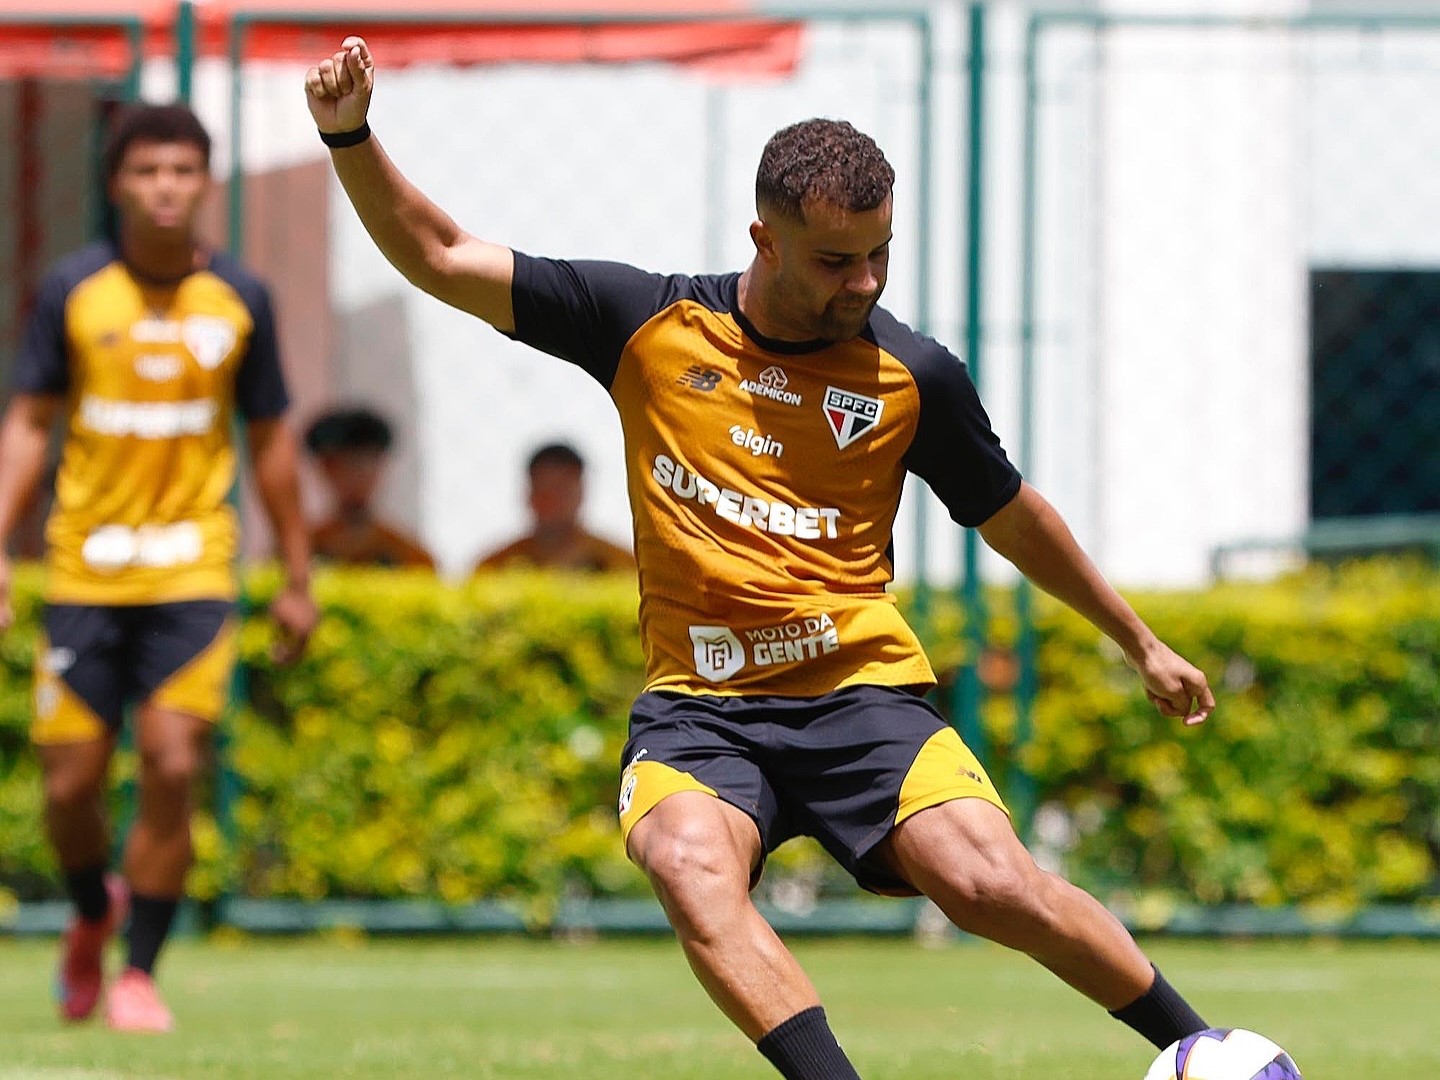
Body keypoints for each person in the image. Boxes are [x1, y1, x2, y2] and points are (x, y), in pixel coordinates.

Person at [306, 39, 1218, 1078]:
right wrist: (350, 135)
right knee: (691, 866)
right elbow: (439, 253)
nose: (864, 281)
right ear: (764, 239)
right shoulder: (645, 324)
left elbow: (1009, 514)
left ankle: (1207, 1050)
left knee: (987, 880)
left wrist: (1138, 641)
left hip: (862, 693)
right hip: (699, 706)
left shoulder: (910, 372)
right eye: (836, 260)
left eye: (880, 253)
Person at [0, 103, 318, 1034]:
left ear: (204, 181)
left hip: (194, 573)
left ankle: (139, 970)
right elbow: (28, 426)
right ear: (116, 184)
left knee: (173, 765)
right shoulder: (72, 290)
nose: (165, 188)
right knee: (68, 788)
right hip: (85, 576)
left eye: (182, 170)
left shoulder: (240, 298)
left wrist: (297, 576)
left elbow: (269, 443)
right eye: (146, 172)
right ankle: (90, 910)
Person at [304, 404, 436, 569]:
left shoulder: (411, 556)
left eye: (365, 463)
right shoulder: (301, 552)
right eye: (341, 464)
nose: (355, 475)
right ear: (324, 468)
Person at [472, 442, 633, 574]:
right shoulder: (495, 567)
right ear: (528, 494)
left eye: (561, 491)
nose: (551, 501)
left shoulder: (622, 566)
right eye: (543, 491)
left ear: (581, 493)